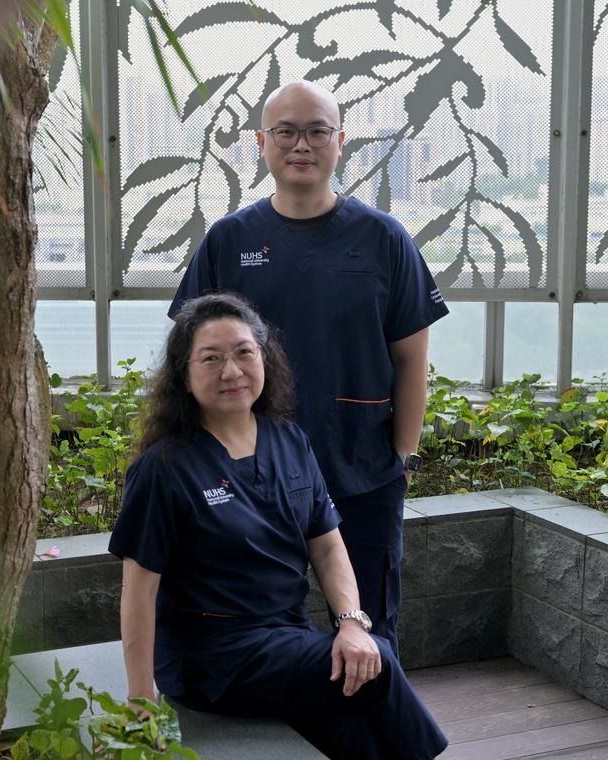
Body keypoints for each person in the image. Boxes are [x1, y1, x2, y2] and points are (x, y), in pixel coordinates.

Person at [169, 80, 449, 656]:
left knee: (371, 625)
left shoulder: (384, 240)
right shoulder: (229, 240)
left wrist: (403, 456)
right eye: (286, 132)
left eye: (318, 131)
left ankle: (377, 728)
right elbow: (191, 358)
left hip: (362, 468)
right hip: (252, 474)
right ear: (260, 143)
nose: (303, 144)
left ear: (340, 141)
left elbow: (411, 359)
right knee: (268, 630)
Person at [110, 293, 447, 759]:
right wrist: (140, 697)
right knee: (381, 660)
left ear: (265, 359)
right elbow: (139, 590)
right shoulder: (164, 469)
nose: (232, 371)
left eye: (244, 353)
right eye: (211, 359)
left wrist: (350, 623)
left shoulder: (289, 441)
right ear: (184, 376)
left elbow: (328, 548)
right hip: (215, 659)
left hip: (289, 641)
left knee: (356, 730)